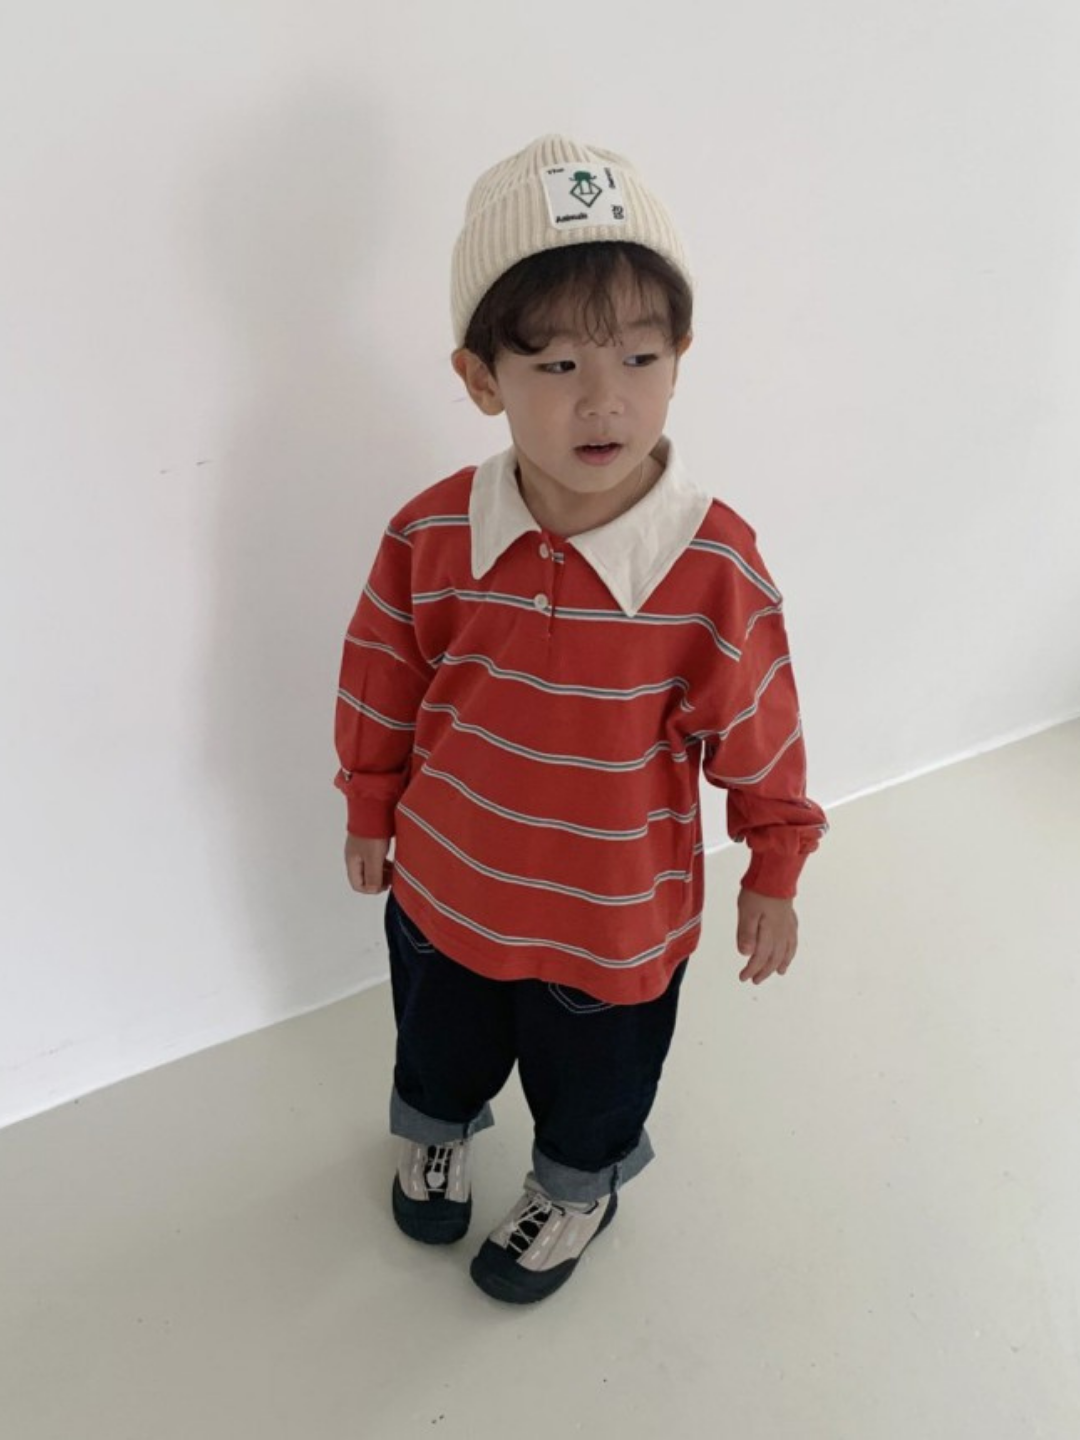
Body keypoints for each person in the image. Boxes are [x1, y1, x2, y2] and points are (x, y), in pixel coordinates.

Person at [333, 135, 827, 1305]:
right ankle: (438, 1128)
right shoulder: (432, 534)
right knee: (439, 1042)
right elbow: (379, 676)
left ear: (680, 357)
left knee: (594, 1078)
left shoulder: (710, 564)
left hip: (613, 923)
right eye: (553, 363)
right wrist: (368, 803)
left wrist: (776, 859)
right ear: (479, 377)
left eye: (640, 357)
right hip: (448, 885)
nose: (604, 399)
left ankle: (574, 1185)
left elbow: (761, 722)